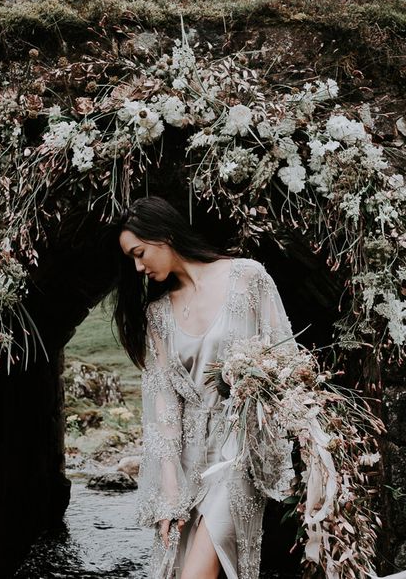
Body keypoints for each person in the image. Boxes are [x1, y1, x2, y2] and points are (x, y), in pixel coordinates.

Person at [112, 196, 297, 579]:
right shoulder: (157, 315)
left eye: (140, 252)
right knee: (178, 567)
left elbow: (286, 358)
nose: (138, 265)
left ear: (164, 235)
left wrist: (259, 389)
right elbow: (164, 408)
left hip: (240, 449)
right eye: (132, 258)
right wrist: (170, 494)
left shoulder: (247, 277)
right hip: (190, 456)